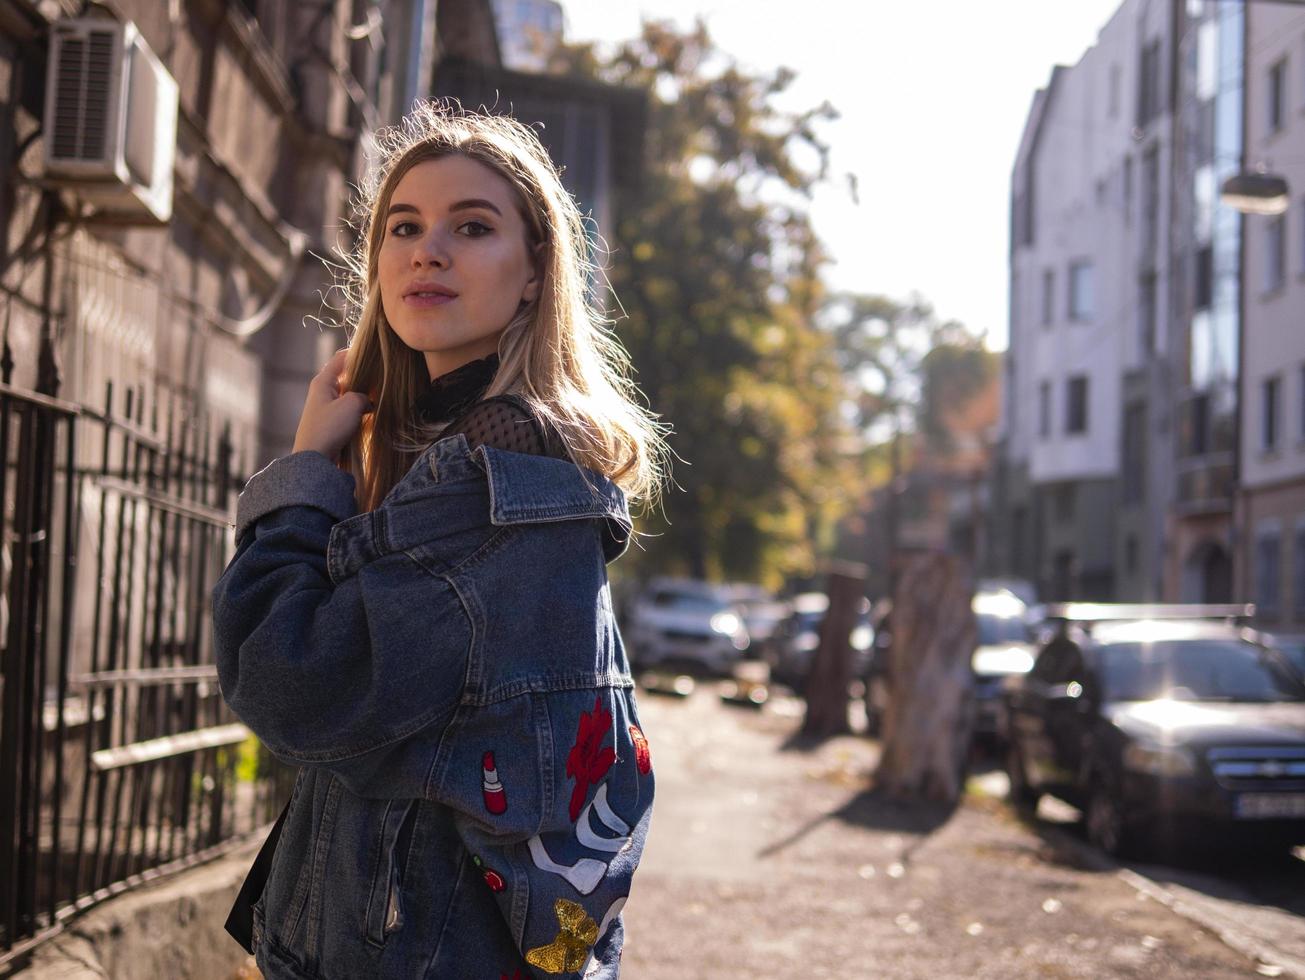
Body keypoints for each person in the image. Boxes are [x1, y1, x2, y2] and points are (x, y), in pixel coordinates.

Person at [211, 100, 668, 979]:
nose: (428, 249)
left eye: (473, 226)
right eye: (403, 225)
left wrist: (307, 473)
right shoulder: (452, 449)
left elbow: (290, 679)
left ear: (536, 270)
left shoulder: (499, 465)